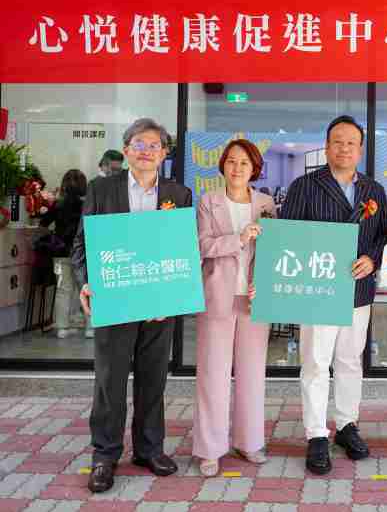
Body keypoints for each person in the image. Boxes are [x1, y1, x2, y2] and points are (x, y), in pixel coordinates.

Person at [71, 118, 192, 493]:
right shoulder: (101, 189)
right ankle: (105, 455)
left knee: (153, 379)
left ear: (164, 153)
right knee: (110, 381)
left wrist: (173, 295)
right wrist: (86, 282)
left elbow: (183, 249)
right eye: (139, 144)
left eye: (154, 145)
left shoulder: (179, 194)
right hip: (115, 299)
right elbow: (82, 244)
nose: (146, 151)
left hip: (158, 306)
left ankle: (149, 449)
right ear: (126, 150)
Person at [281, 115, 387, 475]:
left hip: (358, 289)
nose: (344, 148)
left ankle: (346, 425)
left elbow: (385, 235)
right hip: (318, 289)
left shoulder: (374, 190)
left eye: (351, 143)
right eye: (337, 141)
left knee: (349, 361)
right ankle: (316, 433)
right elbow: (288, 235)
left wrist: (371, 259)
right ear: (327, 146)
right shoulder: (305, 185)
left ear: (360, 150)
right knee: (316, 363)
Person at [193, 139, 277, 477]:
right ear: (222, 166)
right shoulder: (208, 201)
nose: (237, 168)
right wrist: (238, 239)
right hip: (217, 296)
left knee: (252, 374)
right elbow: (201, 245)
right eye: (231, 161)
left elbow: (275, 248)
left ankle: (249, 441)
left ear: (254, 168)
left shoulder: (266, 203)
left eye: (244, 162)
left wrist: (266, 282)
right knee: (212, 374)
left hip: (254, 299)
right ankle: (210, 449)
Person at [39, 169, 91, 339]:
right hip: (84, 254)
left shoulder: (58, 204)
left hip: (61, 252)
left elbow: (43, 224)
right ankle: (90, 328)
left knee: (63, 289)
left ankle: (62, 327)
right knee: (87, 289)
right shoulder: (88, 205)